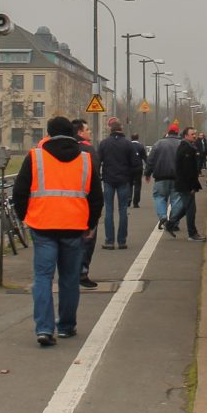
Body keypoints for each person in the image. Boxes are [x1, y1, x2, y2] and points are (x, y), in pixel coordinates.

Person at [13, 116, 103, 346]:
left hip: (42, 225)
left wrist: (26, 217)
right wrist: (90, 224)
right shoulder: (85, 159)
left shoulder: (35, 157)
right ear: (73, 133)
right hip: (74, 226)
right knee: (70, 278)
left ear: (49, 133)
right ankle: (66, 326)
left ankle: (44, 329)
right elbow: (96, 197)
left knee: (43, 278)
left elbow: (19, 192)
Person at [98, 119, 141, 250]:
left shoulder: (104, 144)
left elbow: (98, 161)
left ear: (111, 130)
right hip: (124, 180)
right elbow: (135, 163)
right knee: (123, 210)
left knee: (109, 210)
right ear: (121, 130)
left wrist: (100, 175)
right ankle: (122, 241)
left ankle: (109, 241)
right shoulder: (128, 144)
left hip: (108, 180)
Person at [162, 126, 206, 241]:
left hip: (185, 184)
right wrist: (192, 186)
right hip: (186, 185)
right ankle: (192, 234)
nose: (195, 136)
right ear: (186, 136)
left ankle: (170, 224)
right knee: (191, 209)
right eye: (192, 134)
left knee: (186, 207)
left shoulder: (188, 147)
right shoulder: (186, 149)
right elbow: (187, 170)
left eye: (195, 134)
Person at [72, 118, 101, 288]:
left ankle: (72, 271)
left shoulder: (64, 149)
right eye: (87, 129)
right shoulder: (89, 151)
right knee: (87, 240)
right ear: (80, 132)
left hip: (66, 203)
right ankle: (82, 272)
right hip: (85, 201)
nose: (90, 132)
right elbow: (94, 178)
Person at [144, 123, 182, 230]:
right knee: (176, 199)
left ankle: (163, 216)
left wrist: (147, 173)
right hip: (177, 178)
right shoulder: (182, 144)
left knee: (160, 197)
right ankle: (174, 222)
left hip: (161, 177)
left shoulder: (158, 144)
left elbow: (150, 160)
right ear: (177, 132)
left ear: (167, 132)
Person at [129, 133, 148, 207]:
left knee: (129, 184)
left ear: (131, 138)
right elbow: (145, 158)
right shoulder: (141, 146)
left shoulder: (128, 145)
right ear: (138, 138)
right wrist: (148, 168)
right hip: (138, 168)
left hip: (129, 168)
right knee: (138, 185)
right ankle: (136, 202)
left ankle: (128, 199)